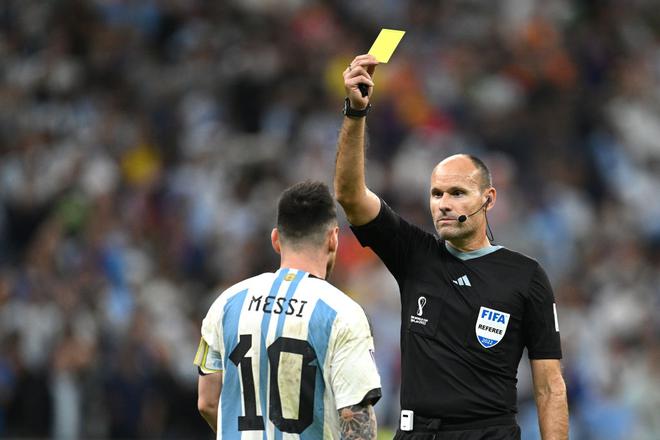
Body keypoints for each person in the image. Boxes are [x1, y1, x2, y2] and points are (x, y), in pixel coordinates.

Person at [334, 54, 568, 440]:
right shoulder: (414, 254)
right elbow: (349, 195)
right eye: (436, 193)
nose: (443, 202)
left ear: (489, 199)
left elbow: (549, 387)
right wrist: (355, 112)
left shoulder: (525, 276)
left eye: (457, 193)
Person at [194, 181, 382, 439]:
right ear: (333, 238)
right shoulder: (342, 314)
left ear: (275, 240)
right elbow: (357, 424)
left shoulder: (226, 304)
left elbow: (207, 402)